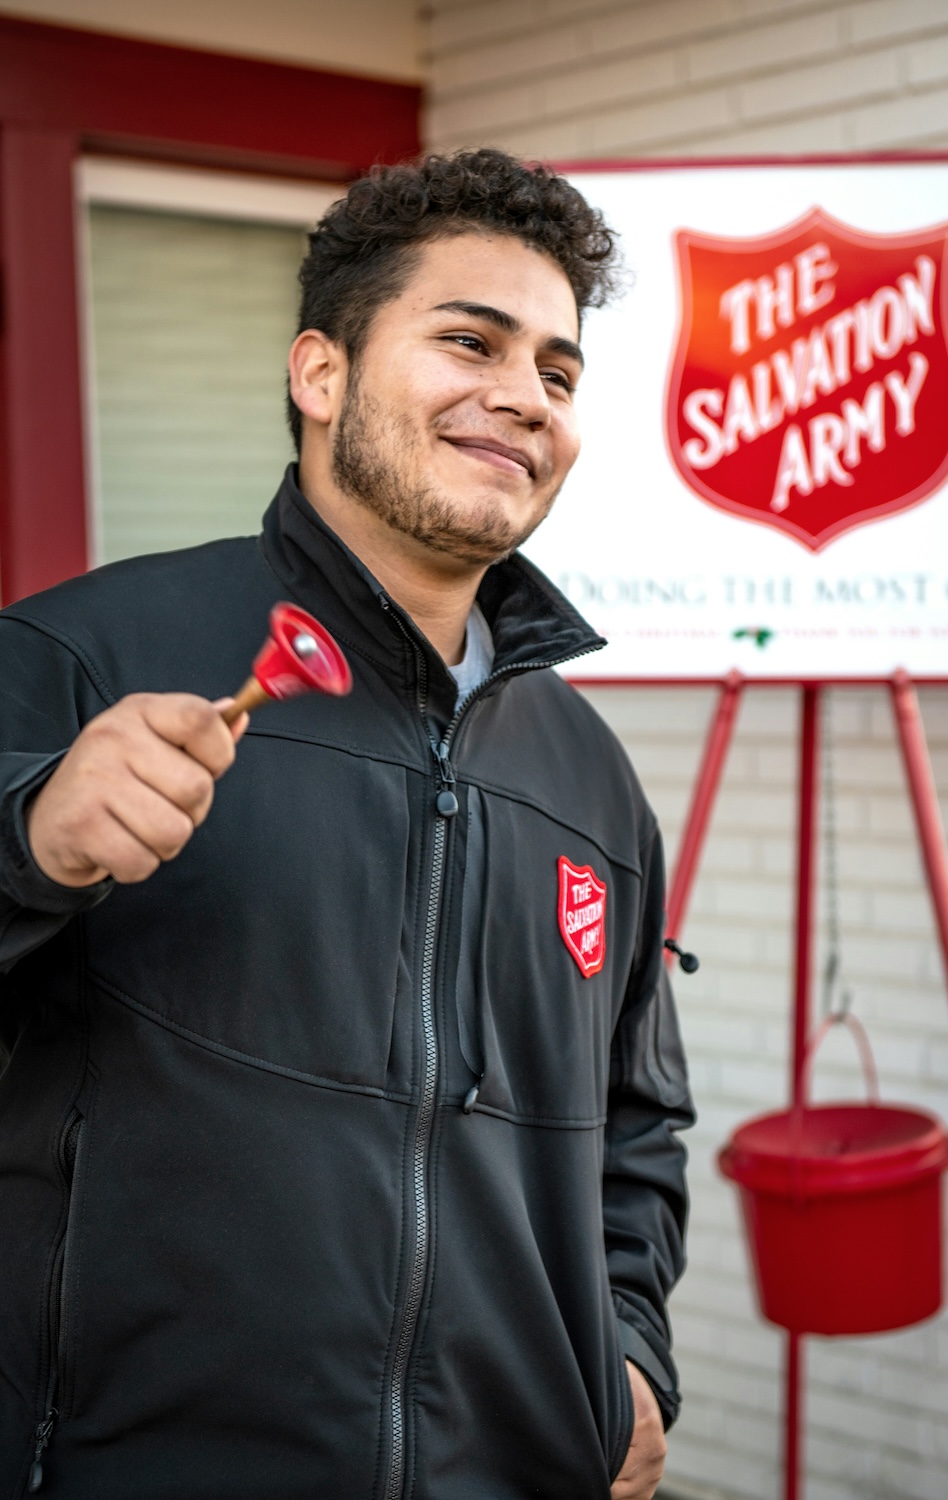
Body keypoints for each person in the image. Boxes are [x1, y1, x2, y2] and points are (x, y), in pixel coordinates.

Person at [0, 149, 693, 1500]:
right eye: (468, 342)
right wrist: (27, 841)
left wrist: (630, 1360)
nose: (522, 397)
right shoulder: (80, 658)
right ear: (321, 375)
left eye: (557, 371)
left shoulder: (591, 779)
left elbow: (638, 1122)